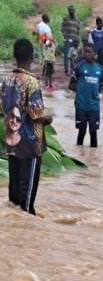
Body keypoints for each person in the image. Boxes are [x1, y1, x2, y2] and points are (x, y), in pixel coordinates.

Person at [0, 39, 53, 215]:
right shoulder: (31, 82)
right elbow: (36, 116)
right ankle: (27, 229)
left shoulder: (6, 80)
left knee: (14, 194)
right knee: (27, 199)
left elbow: (2, 110)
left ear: (15, 56)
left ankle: (18, 233)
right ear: (32, 57)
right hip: (30, 144)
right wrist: (48, 119)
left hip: (12, 142)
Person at [71, 44, 103, 147]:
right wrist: (82, 88)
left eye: (89, 52)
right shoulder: (79, 67)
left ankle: (93, 158)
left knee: (93, 132)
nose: (87, 54)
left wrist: (95, 91)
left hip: (94, 106)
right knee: (81, 132)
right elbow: (71, 85)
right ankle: (79, 155)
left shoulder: (100, 69)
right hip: (81, 105)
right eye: (85, 52)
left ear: (95, 54)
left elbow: (102, 86)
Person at [61, 5, 81, 76]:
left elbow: (78, 30)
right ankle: (67, 71)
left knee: (74, 56)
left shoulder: (77, 20)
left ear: (75, 11)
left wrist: (78, 39)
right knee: (66, 56)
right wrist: (66, 37)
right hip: (67, 40)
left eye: (73, 10)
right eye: (70, 10)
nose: (72, 11)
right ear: (68, 11)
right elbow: (62, 28)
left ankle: (73, 71)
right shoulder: (65, 19)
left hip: (75, 41)